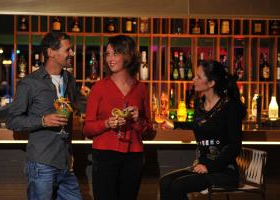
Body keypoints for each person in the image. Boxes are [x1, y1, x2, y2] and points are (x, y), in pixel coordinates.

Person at [6, 32, 86, 200]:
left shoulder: (69, 79)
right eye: (68, 50)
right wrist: (43, 120)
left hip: (65, 162)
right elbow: (13, 120)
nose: (71, 53)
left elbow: (81, 103)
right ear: (51, 52)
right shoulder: (30, 83)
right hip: (42, 163)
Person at [160, 60, 246, 200]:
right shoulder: (200, 104)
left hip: (224, 170)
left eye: (198, 77)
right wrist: (175, 125)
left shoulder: (230, 107)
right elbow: (200, 125)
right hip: (202, 166)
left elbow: (235, 145)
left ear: (211, 83)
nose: (193, 79)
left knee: (177, 186)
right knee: (165, 182)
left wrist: (210, 166)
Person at [83, 35, 153, 200]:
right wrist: (107, 123)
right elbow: (87, 129)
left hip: (133, 156)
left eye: (115, 53)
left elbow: (149, 131)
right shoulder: (99, 88)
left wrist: (138, 120)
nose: (110, 59)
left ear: (128, 55)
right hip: (105, 155)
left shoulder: (141, 88)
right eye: (107, 54)